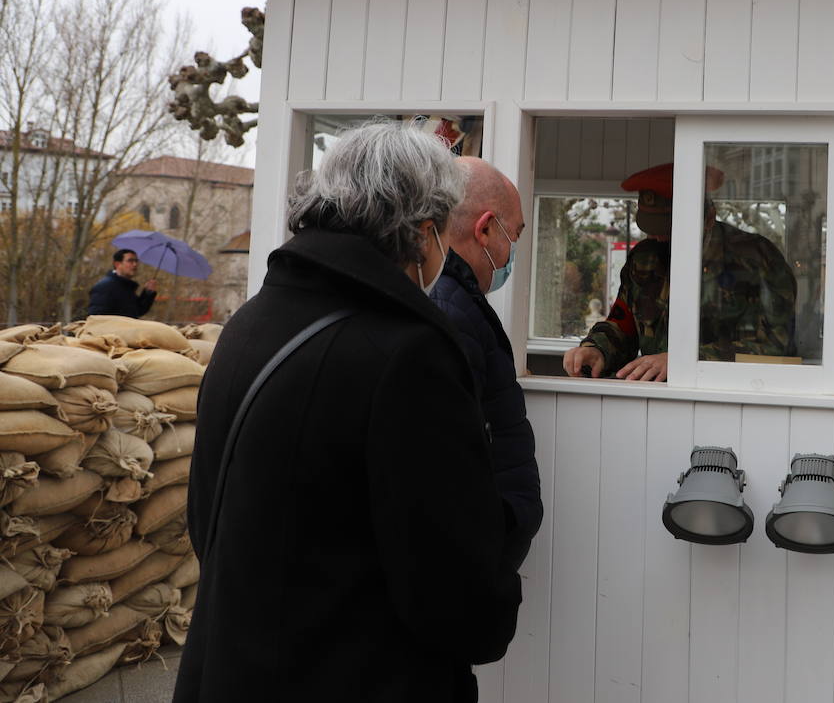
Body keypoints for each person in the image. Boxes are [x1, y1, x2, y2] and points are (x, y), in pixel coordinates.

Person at [175, 123, 519, 702]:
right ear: (423, 231)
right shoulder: (409, 355)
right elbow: (455, 593)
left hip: (230, 665)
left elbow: (204, 516)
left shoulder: (252, 322)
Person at [562, 162, 798, 382]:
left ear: (708, 218)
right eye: (651, 228)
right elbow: (623, 324)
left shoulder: (757, 259)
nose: (657, 237)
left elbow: (775, 346)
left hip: (738, 398)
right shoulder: (645, 258)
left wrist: (684, 361)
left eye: (668, 228)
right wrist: (597, 349)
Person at [429, 156, 542, 569]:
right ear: (486, 229)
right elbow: (453, 466)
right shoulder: (448, 312)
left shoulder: (457, 301)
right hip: (468, 563)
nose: (513, 250)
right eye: (514, 234)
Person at [86, 248, 158, 317]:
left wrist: (147, 293)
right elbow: (96, 318)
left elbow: (137, 312)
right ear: (117, 264)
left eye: (136, 261)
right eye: (130, 261)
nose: (135, 264)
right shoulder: (105, 287)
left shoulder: (127, 287)